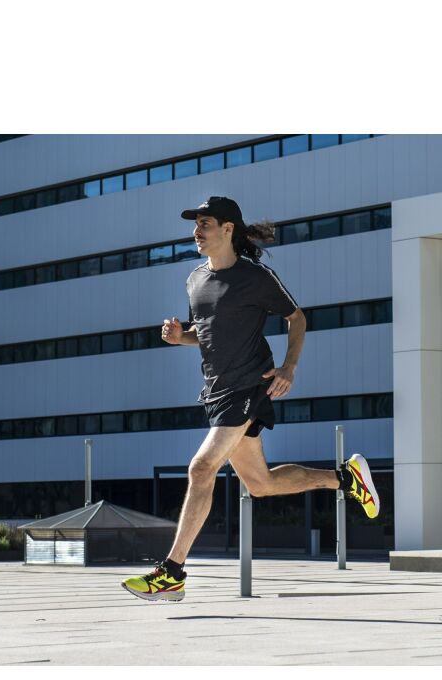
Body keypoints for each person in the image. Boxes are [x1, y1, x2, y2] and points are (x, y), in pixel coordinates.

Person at [122, 196, 380, 602]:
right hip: (217, 392)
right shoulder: (194, 280)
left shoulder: (256, 277)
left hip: (248, 386)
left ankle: (171, 573)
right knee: (261, 485)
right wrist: (180, 337)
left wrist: (289, 367)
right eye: (195, 224)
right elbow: (206, 333)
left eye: (205, 223)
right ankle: (346, 478)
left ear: (228, 229)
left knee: (201, 467)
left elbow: (297, 318)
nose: (196, 231)